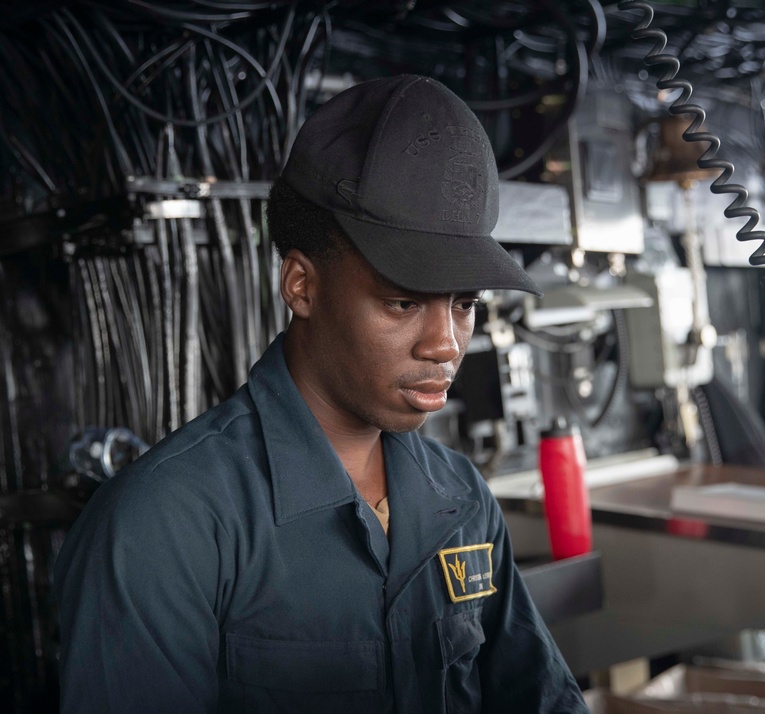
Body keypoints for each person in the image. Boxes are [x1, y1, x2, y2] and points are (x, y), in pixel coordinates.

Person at [55, 74, 588, 713]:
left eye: (465, 304)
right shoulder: (163, 527)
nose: (446, 344)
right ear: (302, 285)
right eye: (402, 301)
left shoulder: (460, 498)